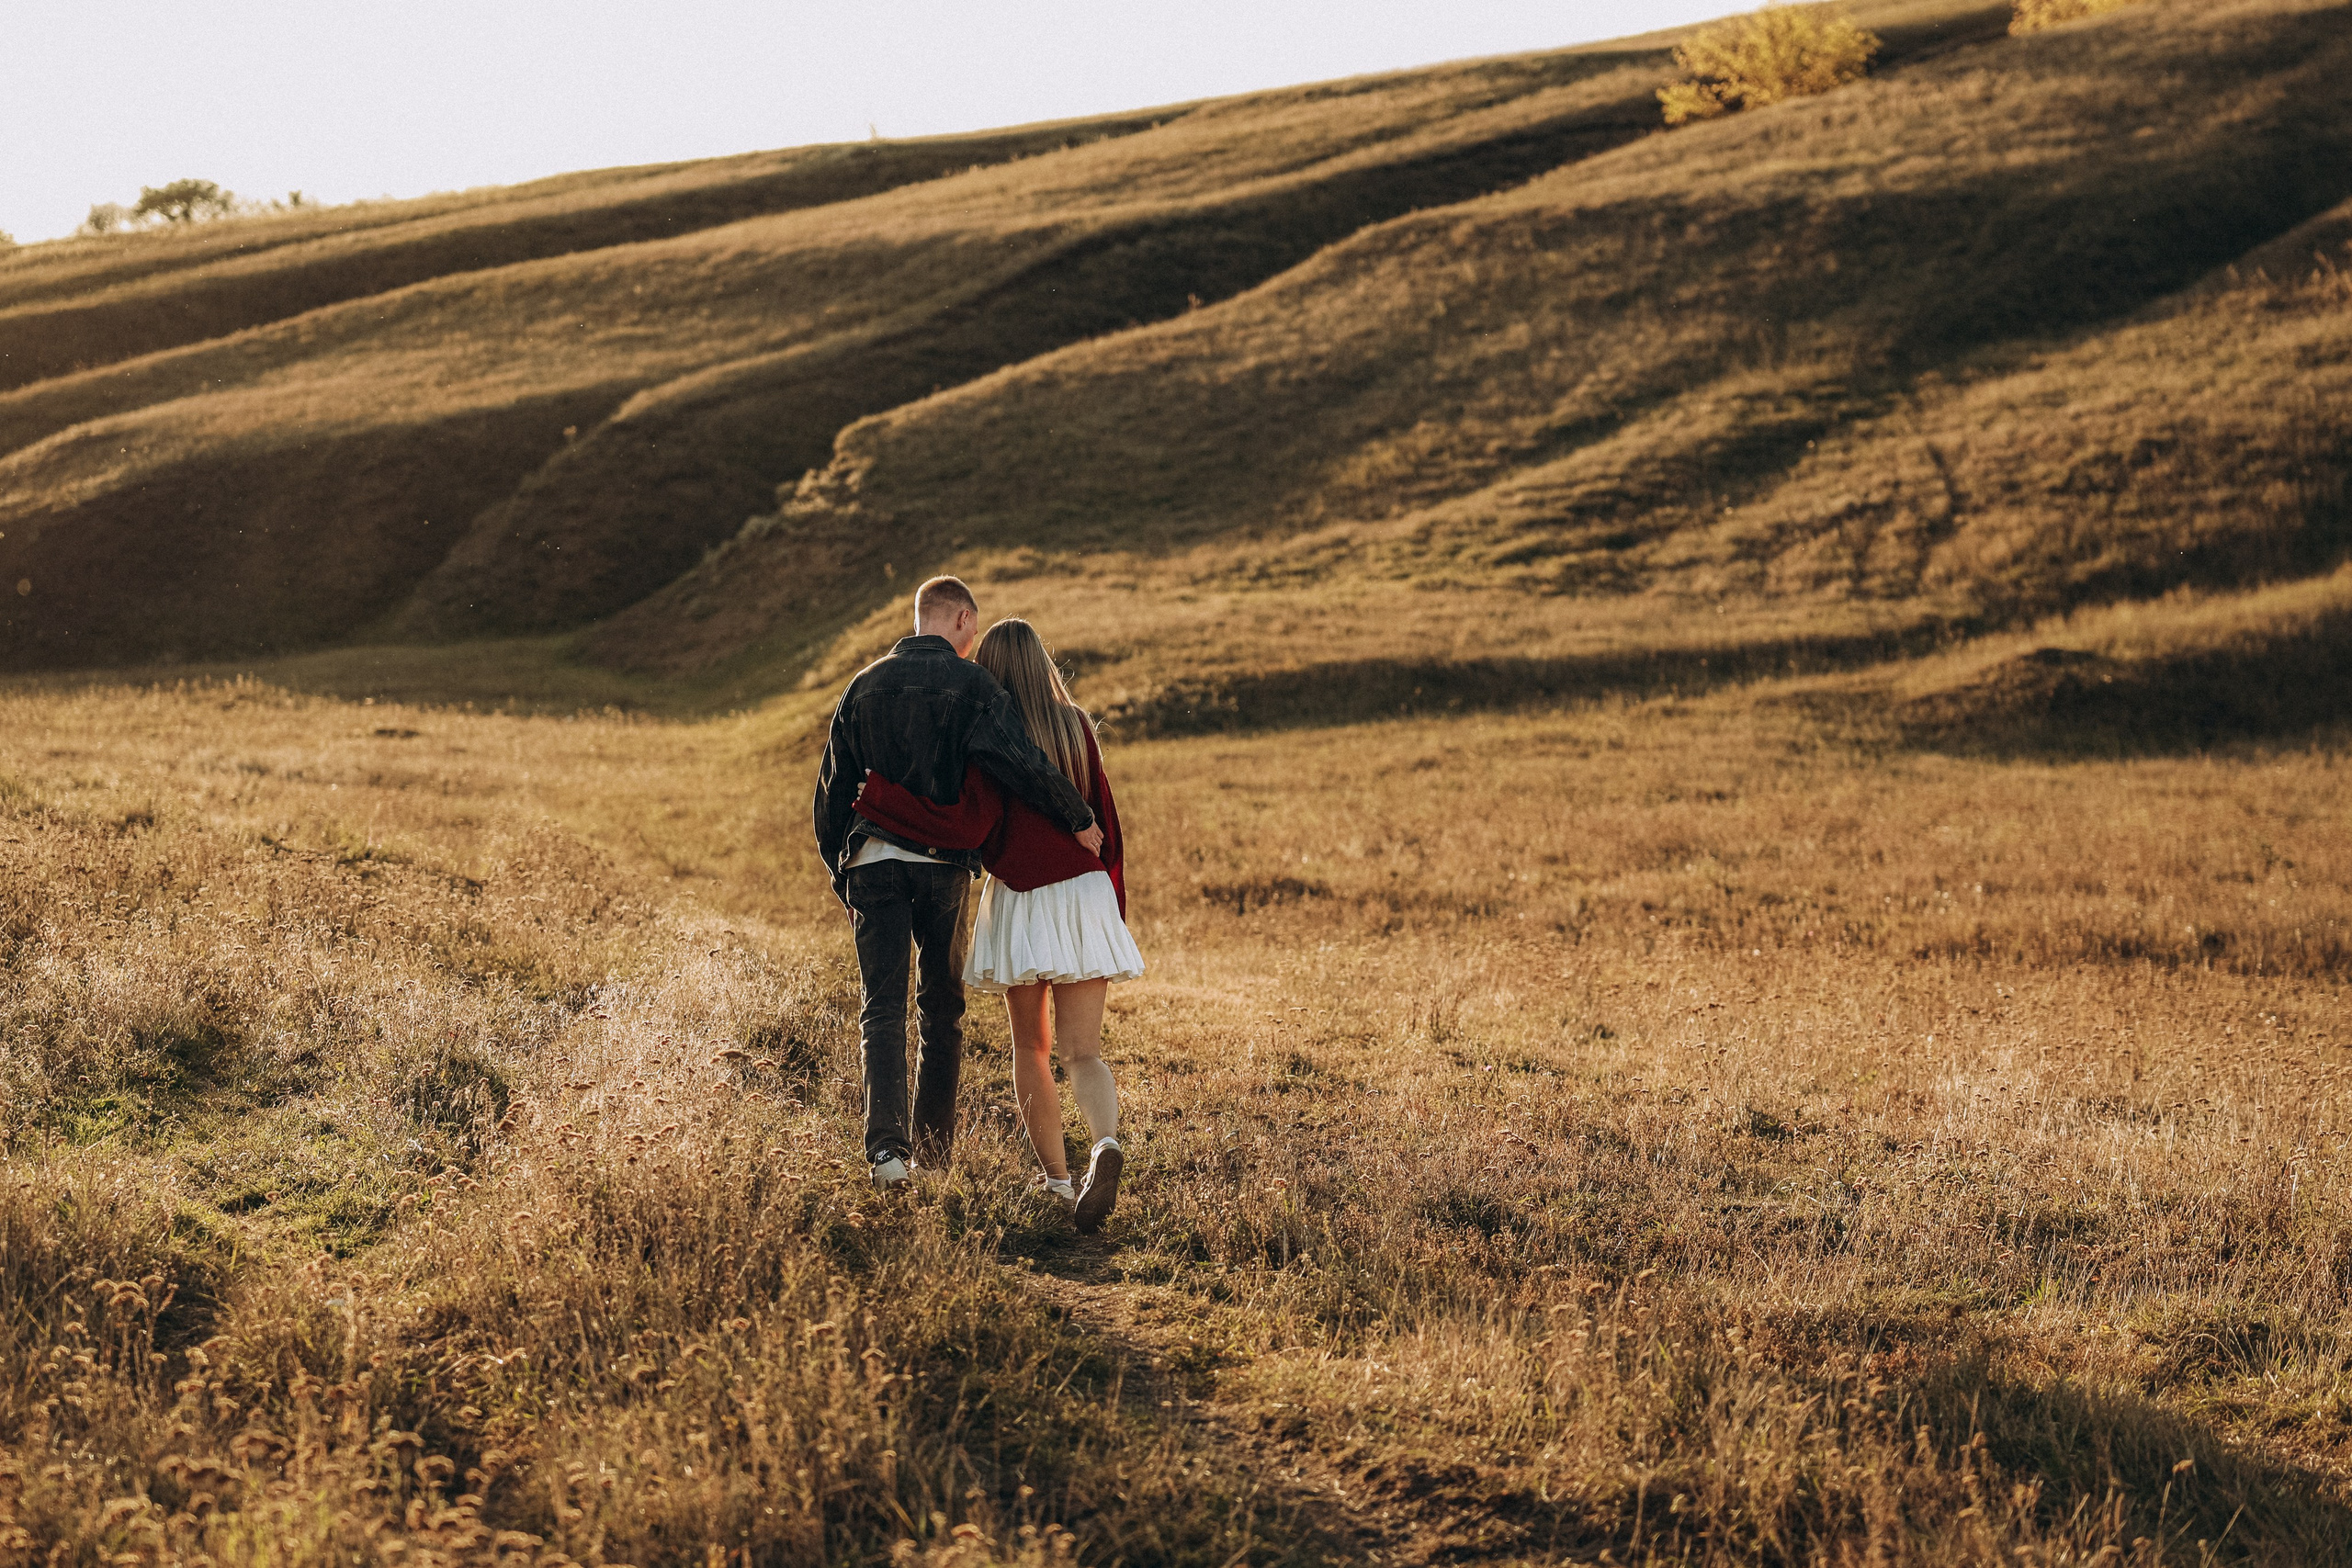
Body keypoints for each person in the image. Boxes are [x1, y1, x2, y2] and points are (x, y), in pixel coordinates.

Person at [852, 617, 1142, 1234]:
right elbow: (1107, 824)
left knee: (1032, 1047)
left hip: (1025, 898)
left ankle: (1059, 1183)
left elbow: (967, 828)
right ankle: (1106, 1143)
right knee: (1084, 1051)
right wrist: (1108, 906)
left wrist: (881, 801)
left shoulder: (988, 733)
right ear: (1042, 664)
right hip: (1086, 893)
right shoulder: (1078, 728)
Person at [813, 578, 1103, 1192]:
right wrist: (1077, 815)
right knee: (940, 1007)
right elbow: (1019, 761)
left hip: (871, 863)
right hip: (941, 866)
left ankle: (888, 1156)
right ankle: (936, 1155)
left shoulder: (861, 686)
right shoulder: (973, 687)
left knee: (881, 1006)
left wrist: (845, 874)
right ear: (964, 620)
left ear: (919, 618)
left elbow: (830, 794)